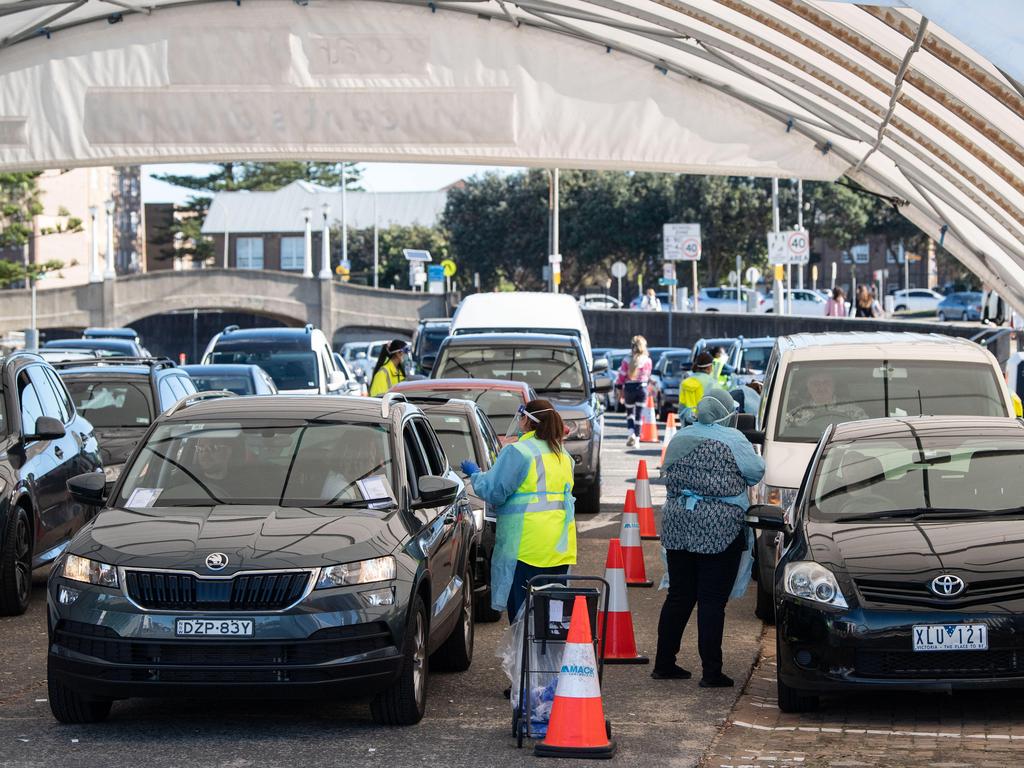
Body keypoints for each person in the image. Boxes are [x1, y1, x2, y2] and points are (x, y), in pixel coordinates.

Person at [653, 389, 765, 687]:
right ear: (727, 412)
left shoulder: (680, 437)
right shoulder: (734, 439)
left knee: (679, 595)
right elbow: (756, 472)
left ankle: (664, 663)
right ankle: (711, 672)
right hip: (720, 528)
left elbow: (666, 470)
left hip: (678, 523)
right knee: (712, 601)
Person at [459, 399, 576, 622]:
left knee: (524, 614)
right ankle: (547, 656)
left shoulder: (519, 452)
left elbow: (493, 491)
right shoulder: (562, 455)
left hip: (527, 546)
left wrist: (476, 475)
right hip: (559, 545)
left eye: (521, 416)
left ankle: (524, 656)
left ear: (527, 420)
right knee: (551, 615)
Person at [785, 368, 869, 433]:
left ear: (833, 386)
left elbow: (866, 432)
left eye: (826, 382)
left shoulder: (853, 411)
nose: (821, 388)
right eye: (815, 383)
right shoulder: (796, 414)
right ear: (808, 387)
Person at [616, 335, 652, 447]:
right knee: (639, 415)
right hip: (642, 388)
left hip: (629, 388)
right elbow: (648, 375)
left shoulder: (626, 360)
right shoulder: (647, 360)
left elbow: (621, 377)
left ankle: (631, 433)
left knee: (630, 413)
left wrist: (619, 389)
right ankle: (637, 438)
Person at [678, 351, 717, 424]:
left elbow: (681, 408)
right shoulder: (713, 383)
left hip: (688, 426)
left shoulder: (685, 383)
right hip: (707, 426)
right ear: (709, 367)